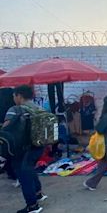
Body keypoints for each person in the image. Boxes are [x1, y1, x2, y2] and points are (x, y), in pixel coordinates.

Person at [2, 85, 47, 213]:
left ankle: (32, 206)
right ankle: (38, 194)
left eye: (14, 96)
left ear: (19, 96)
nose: (13, 98)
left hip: (21, 148)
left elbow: (6, 128)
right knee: (30, 170)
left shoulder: (15, 109)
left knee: (24, 177)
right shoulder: (38, 108)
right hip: (38, 146)